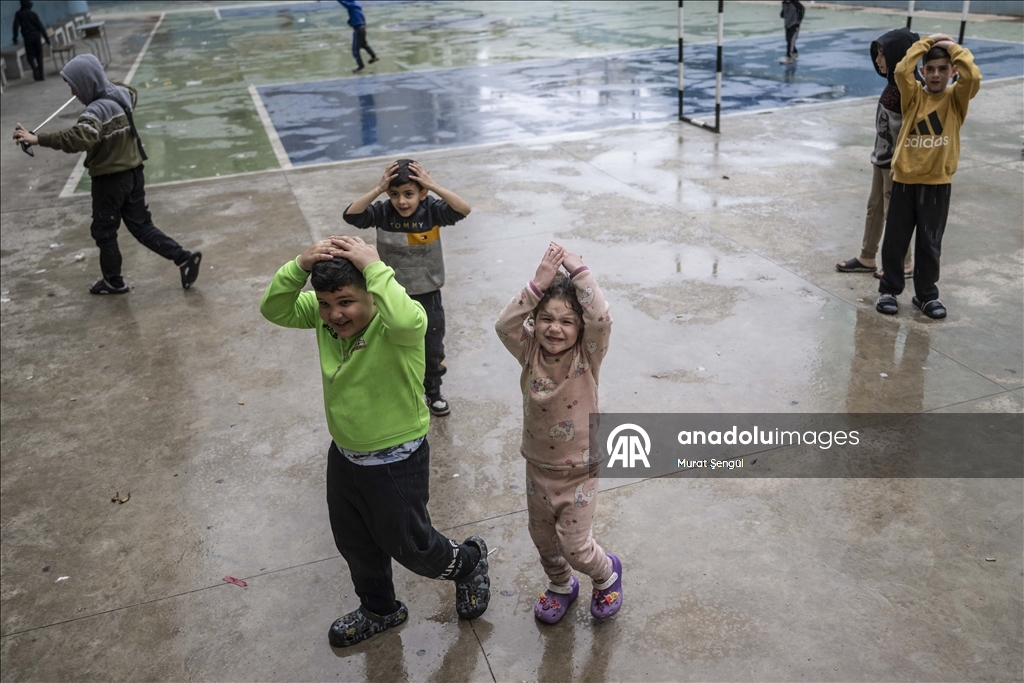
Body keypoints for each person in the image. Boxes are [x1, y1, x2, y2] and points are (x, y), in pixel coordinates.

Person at [259, 235, 490, 648]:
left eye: (346, 301)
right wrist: (299, 265)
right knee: (355, 543)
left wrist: (374, 266)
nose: (334, 314)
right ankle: (380, 609)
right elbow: (274, 308)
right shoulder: (321, 317)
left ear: (372, 292)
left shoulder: (398, 323)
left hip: (397, 460)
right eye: (326, 303)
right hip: (345, 455)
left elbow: (406, 320)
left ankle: (469, 563)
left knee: (414, 547)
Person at [495, 242, 621, 624]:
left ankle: (606, 575)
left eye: (567, 321)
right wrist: (538, 283)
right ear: (535, 320)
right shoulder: (529, 351)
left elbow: (601, 318)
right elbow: (504, 325)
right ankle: (561, 585)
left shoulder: (587, 355)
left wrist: (579, 272)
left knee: (576, 546)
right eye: (547, 319)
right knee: (545, 541)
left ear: (580, 328)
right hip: (538, 467)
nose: (555, 328)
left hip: (580, 469)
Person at [12, 54, 201, 294]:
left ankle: (113, 280)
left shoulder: (95, 110)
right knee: (141, 226)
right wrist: (102, 82)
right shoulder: (122, 96)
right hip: (134, 174)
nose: (73, 93)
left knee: (104, 231)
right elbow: (130, 89)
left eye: (74, 86)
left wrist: (37, 138)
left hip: (109, 180)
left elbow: (78, 138)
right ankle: (183, 257)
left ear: (87, 83)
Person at [344, 159, 470, 417]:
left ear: (422, 193)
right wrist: (379, 189)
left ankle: (433, 392)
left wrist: (433, 185)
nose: (402, 201)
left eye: (409, 194)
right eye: (395, 194)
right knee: (390, 346)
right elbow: (352, 215)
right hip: (390, 295)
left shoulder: (432, 210)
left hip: (428, 293)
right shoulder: (382, 212)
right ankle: (400, 393)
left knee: (431, 346)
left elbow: (463, 209)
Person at [875, 34, 981, 319]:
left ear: (952, 72)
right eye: (930, 69)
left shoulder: (956, 100)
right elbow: (900, 70)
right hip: (904, 181)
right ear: (922, 72)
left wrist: (951, 48)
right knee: (895, 241)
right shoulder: (913, 96)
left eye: (943, 69)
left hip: (937, 184)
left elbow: (972, 76)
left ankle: (925, 295)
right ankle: (889, 290)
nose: (936, 75)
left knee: (929, 243)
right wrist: (928, 41)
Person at [835, 28, 918, 279]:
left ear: (898, 55)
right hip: (880, 159)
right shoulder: (892, 85)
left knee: (896, 214)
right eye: (878, 55)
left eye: (883, 55)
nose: (878, 60)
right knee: (875, 208)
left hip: (896, 164)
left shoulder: (910, 88)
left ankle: (905, 263)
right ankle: (867, 256)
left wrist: (900, 162)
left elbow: (912, 132)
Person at [12, 0, 51, 81]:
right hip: (37, 36)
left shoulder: (19, 14)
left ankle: (34, 67)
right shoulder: (33, 14)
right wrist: (47, 39)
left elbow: (15, 27)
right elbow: (41, 27)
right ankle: (41, 75)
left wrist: (15, 38)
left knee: (30, 56)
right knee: (39, 56)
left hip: (28, 38)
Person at [338, 0, 378, 73]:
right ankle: (373, 56)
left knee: (355, 50)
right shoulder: (357, 4)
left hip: (358, 30)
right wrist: (364, 22)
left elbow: (342, 2)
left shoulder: (350, 5)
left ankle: (361, 66)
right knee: (364, 44)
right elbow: (362, 15)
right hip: (362, 28)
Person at [779, 0, 804, 65]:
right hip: (787, 24)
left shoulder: (795, 3)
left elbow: (802, 9)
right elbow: (783, 10)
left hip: (794, 25)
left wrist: (799, 19)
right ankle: (794, 52)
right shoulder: (784, 3)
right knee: (788, 40)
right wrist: (782, 14)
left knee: (791, 41)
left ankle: (788, 56)